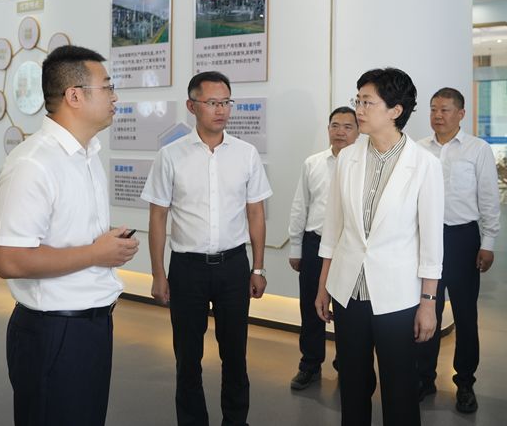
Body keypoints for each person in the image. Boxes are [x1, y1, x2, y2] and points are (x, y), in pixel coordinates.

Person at [0, 45, 139, 426]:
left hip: (92, 326)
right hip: (53, 332)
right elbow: (8, 259)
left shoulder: (87, 156)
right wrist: (96, 253)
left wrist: (106, 243)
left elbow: (68, 235)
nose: (115, 97)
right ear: (74, 96)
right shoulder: (32, 163)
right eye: (107, 87)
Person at [141, 71, 272, 426]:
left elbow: (256, 213)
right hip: (187, 269)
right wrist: (158, 273)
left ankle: (236, 421)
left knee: (236, 356)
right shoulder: (170, 156)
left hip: (233, 267)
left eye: (226, 102)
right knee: (187, 359)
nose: (221, 110)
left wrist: (258, 268)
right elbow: (158, 217)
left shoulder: (245, 154)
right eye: (212, 102)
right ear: (191, 106)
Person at [315, 67, 444, 426]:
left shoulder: (424, 164)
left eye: (367, 102)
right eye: (357, 100)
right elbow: (334, 228)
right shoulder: (348, 157)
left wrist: (429, 303)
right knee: (352, 384)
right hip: (348, 291)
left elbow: (432, 243)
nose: (358, 109)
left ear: (395, 111)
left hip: (397, 296)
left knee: (400, 389)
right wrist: (324, 285)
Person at [415, 87, 500, 413]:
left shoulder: (478, 149)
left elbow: (488, 197)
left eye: (445, 109)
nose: (438, 115)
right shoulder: (418, 148)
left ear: (461, 113)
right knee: (426, 311)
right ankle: (424, 378)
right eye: (433, 109)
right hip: (425, 238)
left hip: (463, 239)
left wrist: (488, 242)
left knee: (465, 314)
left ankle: (465, 381)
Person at [287, 106, 359, 390]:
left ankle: (347, 366)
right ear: (328, 129)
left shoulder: (364, 164)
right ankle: (310, 364)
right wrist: (295, 246)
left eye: (347, 127)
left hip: (349, 249)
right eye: (335, 126)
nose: (340, 132)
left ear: (358, 131)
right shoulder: (313, 163)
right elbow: (300, 205)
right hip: (315, 244)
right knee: (311, 307)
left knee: (347, 311)